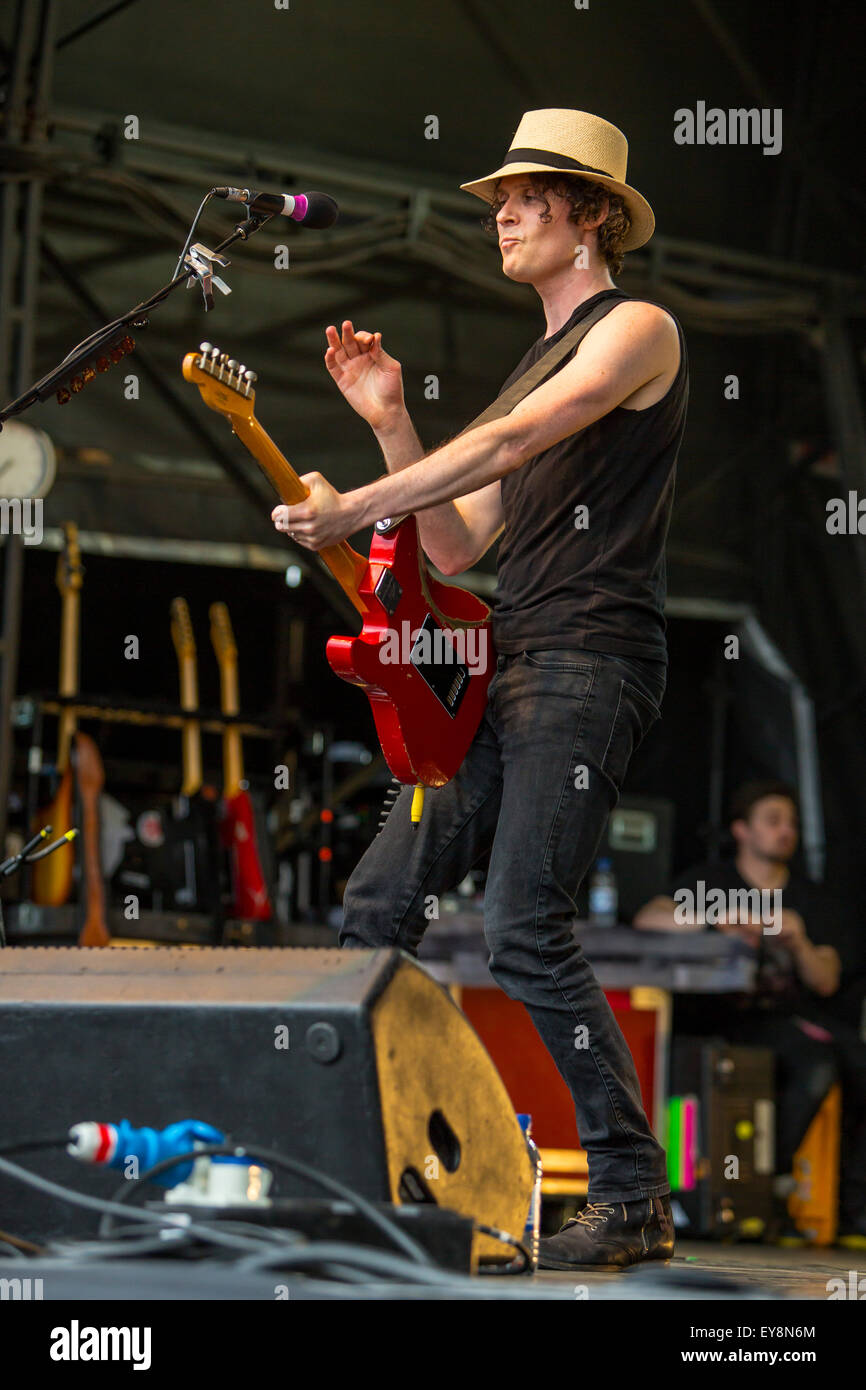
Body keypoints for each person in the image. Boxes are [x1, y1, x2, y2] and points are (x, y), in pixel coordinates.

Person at [270, 109, 687, 1269]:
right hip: (507, 662)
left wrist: (356, 506)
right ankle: (365, 1159)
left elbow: (517, 440)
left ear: (590, 214)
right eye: (499, 197)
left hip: (590, 659)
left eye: (524, 195)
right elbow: (453, 546)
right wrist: (392, 423)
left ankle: (630, 1193)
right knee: (378, 901)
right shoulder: (531, 360)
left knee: (517, 923)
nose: (499, 213)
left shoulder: (637, 331)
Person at [635, 779, 866, 1246]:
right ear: (742, 829)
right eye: (773, 820)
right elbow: (648, 918)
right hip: (716, 1019)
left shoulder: (809, 897)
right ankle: (733, 1195)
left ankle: (844, 1208)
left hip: (788, 1020)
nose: (785, 832)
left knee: (847, 1062)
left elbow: (827, 979)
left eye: (792, 823)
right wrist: (711, 923)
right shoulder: (714, 883)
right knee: (804, 1064)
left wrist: (797, 940)